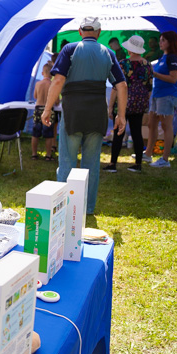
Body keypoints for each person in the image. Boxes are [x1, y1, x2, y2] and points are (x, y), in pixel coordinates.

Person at [42, 17, 127, 214]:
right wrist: (120, 115)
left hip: (73, 112)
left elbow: (58, 80)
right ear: (98, 32)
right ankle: (87, 208)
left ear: (80, 31)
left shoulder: (70, 49)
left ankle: (63, 208)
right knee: (91, 164)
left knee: (67, 163)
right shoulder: (108, 53)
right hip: (97, 113)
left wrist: (47, 109)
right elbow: (121, 85)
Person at [104, 35, 152, 173]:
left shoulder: (123, 64)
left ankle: (113, 164)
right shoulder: (147, 65)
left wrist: (111, 106)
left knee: (118, 133)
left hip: (123, 104)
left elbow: (116, 87)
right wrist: (145, 106)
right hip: (139, 104)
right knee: (137, 133)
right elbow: (149, 88)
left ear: (129, 49)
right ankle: (138, 164)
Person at [144, 31, 177, 168]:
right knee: (151, 124)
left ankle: (165, 159)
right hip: (157, 94)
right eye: (160, 40)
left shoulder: (172, 58)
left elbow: (173, 78)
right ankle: (148, 154)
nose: (160, 43)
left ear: (171, 42)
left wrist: (154, 74)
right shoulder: (162, 57)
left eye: (163, 40)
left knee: (166, 126)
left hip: (167, 96)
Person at [31, 63, 55, 160]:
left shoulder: (38, 84)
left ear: (42, 73)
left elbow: (35, 96)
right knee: (48, 134)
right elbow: (56, 100)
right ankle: (48, 155)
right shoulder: (52, 84)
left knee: (35, 133)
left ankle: (34, 154)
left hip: (38, 109)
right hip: (48, 110)